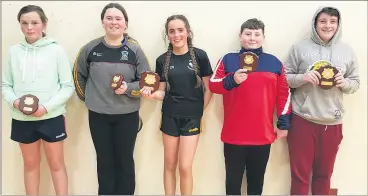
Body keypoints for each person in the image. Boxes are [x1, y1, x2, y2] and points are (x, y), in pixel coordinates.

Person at [72, 2, 151, 195]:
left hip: (127, 116)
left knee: (125, 161)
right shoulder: (90, 49)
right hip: (98, 116)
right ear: (102, 22)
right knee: (104, 161)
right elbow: (77, 75)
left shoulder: (135, 50)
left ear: (125, 23)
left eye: (118, 18)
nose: (113, 22)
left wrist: (128, 89)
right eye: (109, 18)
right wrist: (90, 99)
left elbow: (147, 81)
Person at [208, 18, 292, 195]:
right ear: (240, 36)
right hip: (234, 135)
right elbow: (214, 85)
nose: (252, 38)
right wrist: (233, 80)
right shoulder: (228, 59)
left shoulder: (274, 62)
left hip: (263, 135)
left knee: (256, 184)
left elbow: (284, 95)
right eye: (248, 34)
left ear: (263, 37)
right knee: (232, 184)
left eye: (256, 34)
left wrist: (283, 125)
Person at [284, 6, 360, 195]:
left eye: (332, 22)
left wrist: (344, 83)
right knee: (299, 176)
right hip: (302, 118)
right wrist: (303, 78)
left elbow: (356, 83)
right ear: (315, 23)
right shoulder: (299, 48)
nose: (328, 26)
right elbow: (284, 78)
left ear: (338, 24)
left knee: (324, 176)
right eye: (323, 21)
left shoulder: (347, 51)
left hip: (333, 121)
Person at [1, 5, 74, 195]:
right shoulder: (13, 52)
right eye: (24, 23)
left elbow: (67, 86)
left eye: (34, 23)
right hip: (22, 120)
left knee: (56, 165)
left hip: (52, 117)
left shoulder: (56, 51)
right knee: (30, 166)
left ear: (44, 24)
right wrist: (16, 103)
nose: (29, 28)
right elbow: (5, 85)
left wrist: (46, 108)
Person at [141, 15, 213, 195]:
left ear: (188, 32)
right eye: (171, 31)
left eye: (180, 30)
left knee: (185, 167)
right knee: (169, 165)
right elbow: (162, 91)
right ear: (167, 34)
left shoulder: (200, 56)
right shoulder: (162, 60)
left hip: (191, 119)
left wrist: (198, 111)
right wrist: (151, 94)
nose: (176, 35)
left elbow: (209, 89)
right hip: (170, 116)